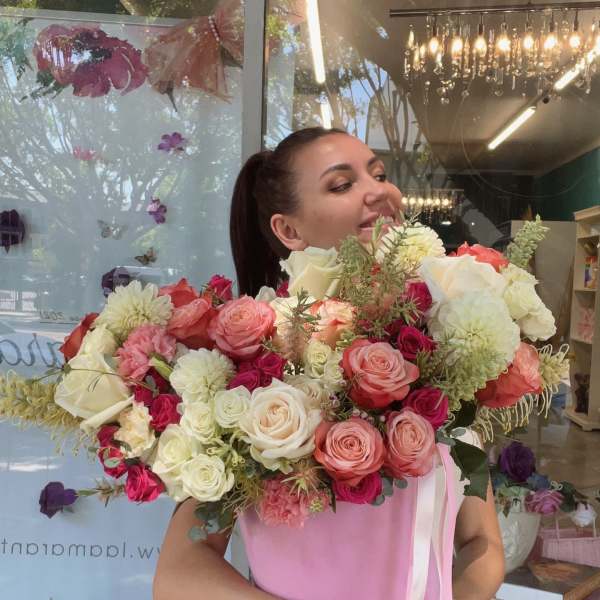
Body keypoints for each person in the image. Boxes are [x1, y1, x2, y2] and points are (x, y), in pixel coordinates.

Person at [153, 127, 505, 600]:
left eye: (378, 174)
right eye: (342, 184)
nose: (379, 191)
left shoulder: (443, 347)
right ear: (288, 230)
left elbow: (481, 540)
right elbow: (179, 573)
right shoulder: (257, 374)